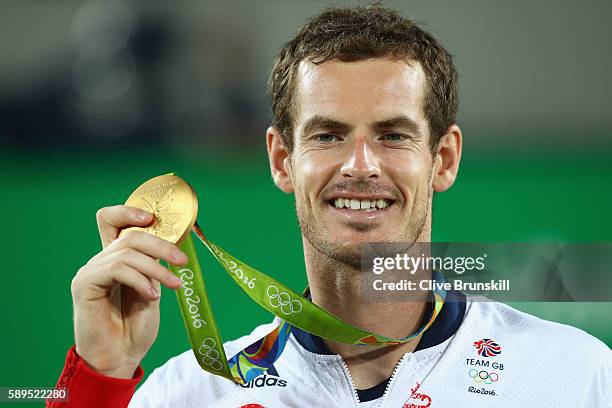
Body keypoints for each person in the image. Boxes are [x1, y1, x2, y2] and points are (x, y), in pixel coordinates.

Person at [50, 5, 611, 407]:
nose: (360, 164)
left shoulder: (573, 375)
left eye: (393, 135)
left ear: (443, 158)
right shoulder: (190, 393)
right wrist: (101, 377)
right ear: (281, 160)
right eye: (327, 136)